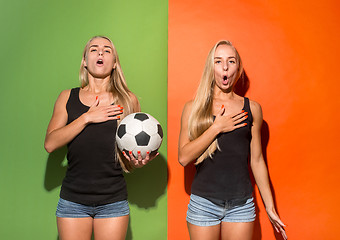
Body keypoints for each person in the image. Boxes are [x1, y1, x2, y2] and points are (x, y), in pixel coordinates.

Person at [44, 36, 156, 240]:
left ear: (114, 63)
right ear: (85, 60)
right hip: (73, 201)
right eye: (94, 49)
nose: (101, 52)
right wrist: (87, 117)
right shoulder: (66, 97)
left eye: (107, 49)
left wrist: (138, 162)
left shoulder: (127, 100)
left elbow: (128, 161)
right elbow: (50, 144)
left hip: (113, 201)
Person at [178, 40, 287, 240]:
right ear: (211, 68)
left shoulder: (252, 108)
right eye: (218, 61)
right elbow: (184, 158)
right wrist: (216, 128)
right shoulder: (192, 108)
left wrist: (270, 207)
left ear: (239, 68)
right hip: (203, 204)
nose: (225, 67)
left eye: (231, 61)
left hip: (241, 206)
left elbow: (257, 160)